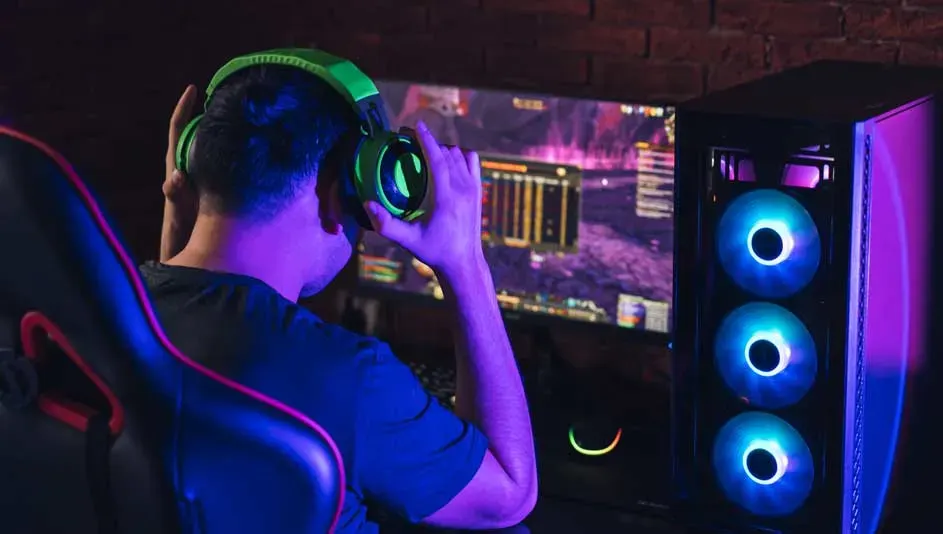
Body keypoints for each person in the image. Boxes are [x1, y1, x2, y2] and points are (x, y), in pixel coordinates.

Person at [149, 64, 537, 533]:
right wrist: (465, 263)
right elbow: (509, 495)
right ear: (340, 196)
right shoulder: (348, 376)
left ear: (191, 163)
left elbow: (177, 308)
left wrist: (178, 209)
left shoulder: (109, 314)